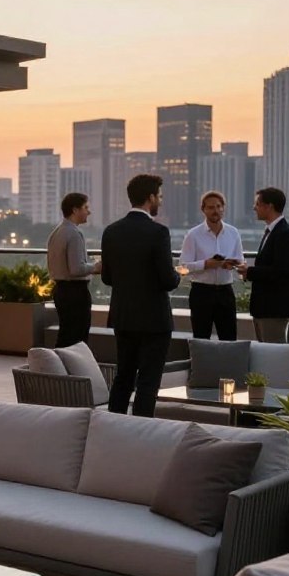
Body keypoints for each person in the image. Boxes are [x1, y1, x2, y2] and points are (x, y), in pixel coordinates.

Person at [100, 173, 181, 417]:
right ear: (150, 197)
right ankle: (141, 430)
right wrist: (178, 275)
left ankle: (112, 425)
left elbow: (106, 278)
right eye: (160, 196)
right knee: (148, 380)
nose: (161, 201)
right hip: (154, 321)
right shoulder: (158, 233)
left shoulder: (111, 231)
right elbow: (168, 280)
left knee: (123, 376)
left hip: (123, 316)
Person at [236, 186, 289, 343]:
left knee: (274, 357)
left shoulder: (285, 234)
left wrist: (249, 271)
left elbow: (282, 272)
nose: (254, 208)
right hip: (264, 308)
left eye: (257, 204)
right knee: (267, 354)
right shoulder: (272, 232)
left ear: (269, 206)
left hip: (274, 309)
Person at [179, 190, 244, 340]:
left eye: (218, 206)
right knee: (201, 338)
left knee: (229, 338)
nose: (216, 211)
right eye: (211, 207)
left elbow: (240, 260)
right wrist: (206, 264)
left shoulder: (233, 233)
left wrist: (232, 264)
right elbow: (182, 267)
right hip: (202, 292)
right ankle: (201, 364)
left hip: (225, 291)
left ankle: (227, 364)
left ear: (223, 208)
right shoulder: (193, 235)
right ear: (203, 210)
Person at [46, 192, 102, 347]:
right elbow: (76, 268)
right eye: (85, 208)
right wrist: (96, 267)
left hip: (61, 290)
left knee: (66, 333)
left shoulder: (56, 232)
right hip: (75, 292)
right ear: (75, 210)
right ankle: (72, 370)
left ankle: (58, 369)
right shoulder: (74, 233)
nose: (88, 212)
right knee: (77, 337)